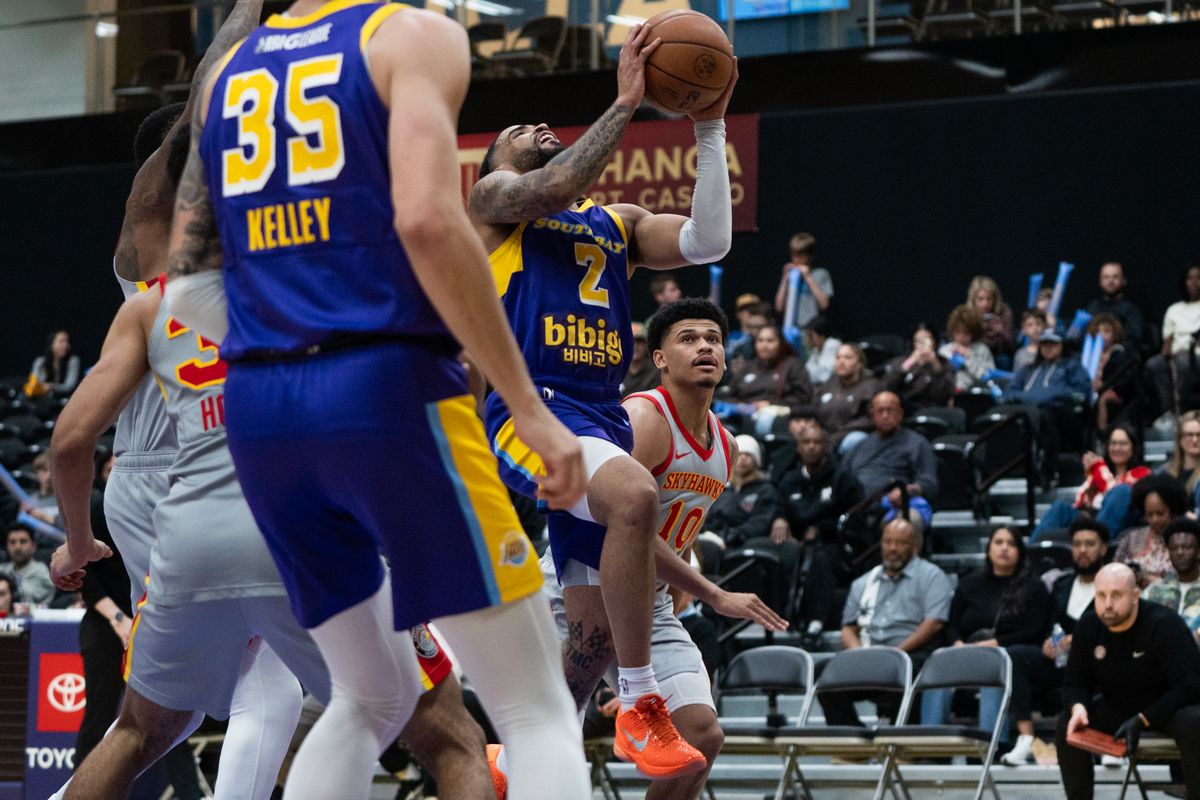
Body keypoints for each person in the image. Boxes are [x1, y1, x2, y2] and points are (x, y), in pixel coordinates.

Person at [160, 1, 599, 797]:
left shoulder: (225, 71)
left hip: (260, 406)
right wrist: (528, 408)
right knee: (535, 709)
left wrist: (295, 320)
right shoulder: (410, 34)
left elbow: (186, 284)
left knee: (370, 695)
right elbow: (430, 219)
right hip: (383, 389)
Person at [469, 18, 737, 782]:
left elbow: (707, 242)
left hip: (598, 413)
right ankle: (644, 701)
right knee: (634, 495)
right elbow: (553, 185)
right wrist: (626, 102)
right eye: (521, 130)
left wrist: (709, 125)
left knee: (584, 649)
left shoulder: (613, 224)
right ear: (494, 163)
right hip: (532, 409)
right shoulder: (494, 202)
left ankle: (515, 763)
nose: (537, 129)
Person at [524, 298, 786, 799]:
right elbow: (622, 525)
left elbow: (672, 530)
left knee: (700, 737)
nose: (705, 347)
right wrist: (712, 592)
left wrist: (684, 570)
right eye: (688, 339)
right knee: (548, 746)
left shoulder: (726, 447)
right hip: (577, 588)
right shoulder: (643, 417)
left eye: (713, 339)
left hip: (649, 601)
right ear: (660, 359)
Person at [1057, 563, 1200, 800]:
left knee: (1195, 719)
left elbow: (1192, 686)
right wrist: (1078, 707)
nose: (1108, 604)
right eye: (1101, 595)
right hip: (1119, 709)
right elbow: (1074, 683)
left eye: (1116, 595)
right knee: (1068, 721)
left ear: (1135, 595)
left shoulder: (1164, 623)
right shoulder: (1089, 625)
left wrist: (1145, 718)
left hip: (1166, 711)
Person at [1001, 517, 1111, 766]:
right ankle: (1027, 738)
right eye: (1077, 544)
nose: (1082, 550)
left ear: (1103, 548)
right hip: (1061, 661)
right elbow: (1049, 623)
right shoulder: (1061, 584)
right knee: (1016, 654)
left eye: (1090, 544)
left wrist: (1080, 640)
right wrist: (1048, 642)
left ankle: (1104, 742)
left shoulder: (1111, 585)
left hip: (1096, 662)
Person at [922, 527, 1053, 733]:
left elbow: (1035, 630)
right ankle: (929, 740)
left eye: (1011, 544)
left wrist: (996, 643)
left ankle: (993, 742)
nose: (1004, 548)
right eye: (998, 542)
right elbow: (951, 624)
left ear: (1020, 551)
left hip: (1011, 654)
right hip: (966, 652)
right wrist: (957, 644)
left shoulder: (1034, 587)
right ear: (989, 549)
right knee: (939, 663)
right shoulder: (969, 584)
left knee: (993, 665)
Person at [826, 518, 953, 725]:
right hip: (871, 654)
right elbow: (848, 628)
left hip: (911, 652)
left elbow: (934, 623)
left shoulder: (932, 576)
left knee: (914, 668)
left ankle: (905, 745)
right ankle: (854, 744)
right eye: (888, 542)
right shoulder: (864, 582)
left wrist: (897, 653)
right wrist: (860, 654)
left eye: (900, 543)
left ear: (914, 546)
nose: (892, 548)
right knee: (827, 674)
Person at [771, 418, 861, 635]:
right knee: (778, 553)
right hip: (799, 541)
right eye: (806, 442)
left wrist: (823, 529)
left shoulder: (842, 478)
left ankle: (815, 621)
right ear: (799, 448)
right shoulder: (789, 479)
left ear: (825, 446)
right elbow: (778, 505)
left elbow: (856, 517)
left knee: (822, 557)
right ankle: (779, 615)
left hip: (836, 542)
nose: (811, 447)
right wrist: (780, 518)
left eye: (816, 442)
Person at [1030, 424, 1150, 541]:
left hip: (1116, 524)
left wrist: (1099, 468)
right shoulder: (1100, 472)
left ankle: (1095, 541)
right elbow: (1080, 501)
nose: (1117, 448)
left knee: (1122, 490)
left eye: (1123, 444)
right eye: (1113, 443)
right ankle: (1030, 552)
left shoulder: (1142, 473)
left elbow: (1114, 492)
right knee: (1060, 507)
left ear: (1133, 448)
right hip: (1092, 518)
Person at [840, 391, 939, 531]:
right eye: (880, 411)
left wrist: (906, 491)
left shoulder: (917, 443)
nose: (885, 415)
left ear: (900, 414)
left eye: (890, 411)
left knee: (910, 521)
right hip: (859, 509)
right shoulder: (858, 447)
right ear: (872, 415)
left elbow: (929, 483)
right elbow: (841, 479)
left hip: (896, 508)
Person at [1003, 331, 1092, 483]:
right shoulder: (1028, 369)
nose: (1048, 347)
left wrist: (1055, 397)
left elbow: (1082, 394)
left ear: (1062, 345)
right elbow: (1008, 393)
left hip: (1065, 419)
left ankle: (1048, 472)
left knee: (1045, 414)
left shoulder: (1072, 366)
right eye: (1044, 344)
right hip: (1029, 414)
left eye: (1053, 344)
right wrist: (1042, 398)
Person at [727, 322, 813, 432]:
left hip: (777, 417)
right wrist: (739, 406)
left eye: (770, 341)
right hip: (744, 416)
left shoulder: (793, 365)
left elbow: (803, 398)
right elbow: (730, 394)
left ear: (781, 343)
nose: (764, 345)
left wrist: (770, 404)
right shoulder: (748, 367)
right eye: (760, 340)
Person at [1146, 264, 1200, 422]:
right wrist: (1165, 356)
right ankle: (1168, 413)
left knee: (1184, 362)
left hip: (1196, 356)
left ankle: (1183, 412)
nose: (1194, 282)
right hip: (1177, 355)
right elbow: (1168, 341)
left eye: (1198, 278)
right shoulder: (1174, 310)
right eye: (1190, 278)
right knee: (1154, 364)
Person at [1116, 475, 1190, 587]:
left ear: (1173, 510)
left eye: (1160, 513)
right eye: (1149, 514)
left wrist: (1151, 580)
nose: (1154, 520)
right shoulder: (1131, 539)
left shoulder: (1187, 540)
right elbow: (1114, 574)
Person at [815, 343, 881, 451]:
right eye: (838, 357)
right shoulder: (830, 383)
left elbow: (869, 419)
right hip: (826, 436)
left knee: (854, 440)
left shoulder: (871, 386)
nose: (841, 361)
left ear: (859, 363)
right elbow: (814, 408)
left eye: (847, 357)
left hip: (850, 436)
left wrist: (837, 436)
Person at [1143, 517, 1200, 638]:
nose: (1180, 552)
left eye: (1187, 547)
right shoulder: (1153, 591)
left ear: (1198, 552)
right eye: (1174, 548)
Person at [881, 322, 953, 412]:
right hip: (904, 408)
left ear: (934, 342)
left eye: (926, 340)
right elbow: (886, 387)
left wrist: (936, 365)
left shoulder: (944, 363)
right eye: (918, 341)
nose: (922, 345)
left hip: (934, 408)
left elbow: (946, 394)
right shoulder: (901, 362)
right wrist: (908, 364)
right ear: (913, 343)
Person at [1086, 313, 1139, 434]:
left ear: (1114, 334)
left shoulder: (1121, 354)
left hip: (1113, 391)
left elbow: (1126, 379)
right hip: (1089, 391)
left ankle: (1103, 435)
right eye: (1098, 331)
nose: (1102, 336)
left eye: (1106, 331)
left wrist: (1106, 386)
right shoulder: (1087, 354)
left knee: (1103, 399)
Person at [1086, 262, 1148, 358]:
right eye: (1106, 277)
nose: (1110, 281)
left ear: (1124, 280)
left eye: (1115, 277)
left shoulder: (1131, 309)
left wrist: (1112, 346)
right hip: (1091, 353)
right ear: (1100, 281)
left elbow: (1135, 337)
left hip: (1119, 355)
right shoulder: (1093, 306)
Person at [773, 232, 832, 329]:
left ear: (810, 256)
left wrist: (808, 277)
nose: (796, 260)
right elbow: (779, 307)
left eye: (800, 256)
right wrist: (785, 278)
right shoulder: (790, 275)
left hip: (812, 329)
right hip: (791, 327)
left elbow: (824, 305)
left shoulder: (821, 274)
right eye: (793, 256)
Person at [939, 304, 995, 392]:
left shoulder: (982, 350)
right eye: (958, 332)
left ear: (973, 333)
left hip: (976, 394)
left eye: (966, 333)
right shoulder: (944, 351)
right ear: (952, 331)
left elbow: (989, 378)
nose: (961, 337)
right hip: (949, 394)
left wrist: (969, 356)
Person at [2, 523, 54, 606]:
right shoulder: (2, 570)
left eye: (23, 541)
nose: (17, 547)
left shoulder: (41, 571)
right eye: (12, 542)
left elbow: (29, 598)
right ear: (7, 546)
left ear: (33, 546)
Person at [966, 275, 1015, 359]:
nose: (985, 304)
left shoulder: (1004, 312)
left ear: (995, 299)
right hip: (974, 356)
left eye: (989, 299)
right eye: (980, 299)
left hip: (1000, 356)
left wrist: (1000, 331)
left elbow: (1011, 346)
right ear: (973, 299)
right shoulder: (967, 314)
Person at [1161, 409, 1200, 511]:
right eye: (1189, 435)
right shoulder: (1165, 472)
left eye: (1199, 435)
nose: (1195, 440)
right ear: (1180, 439)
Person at [30, 329, 81, 395]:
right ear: (51, 344)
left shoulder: (73, 361)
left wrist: (51, 386)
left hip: (63, 398)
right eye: (61, 341)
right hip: (41, 397)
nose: (65, 345)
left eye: (67, 342)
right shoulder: (40, 361)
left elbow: (70, 386)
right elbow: (34, 382)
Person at [619, 321, 660, 397]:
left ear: (646, 344)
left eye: (639, 341)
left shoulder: (656, 373)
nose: (635, 346)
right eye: (631, 341)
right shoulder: (616, 372)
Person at [803, 314, 841, 385]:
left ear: (822, 336)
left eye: (810, 336)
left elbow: (823, 376)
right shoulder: (817, 349)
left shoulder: (832, 345)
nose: (807, 339)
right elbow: (806, 371)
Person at [1014, 309, 1048, 373]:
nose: (1035, 328)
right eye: (1030, 325)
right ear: (1024, 329)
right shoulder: (1020, 354)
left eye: (1038, 324)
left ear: (1045, 326)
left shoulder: (1051, 352)